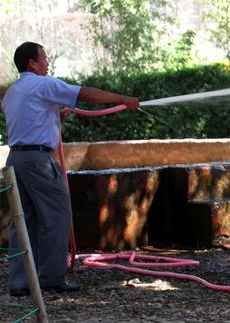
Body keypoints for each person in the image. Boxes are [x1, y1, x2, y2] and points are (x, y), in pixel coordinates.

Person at [1, 42, 139, 296]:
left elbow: (27, 118)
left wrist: (53, 116)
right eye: (43, 58)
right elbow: (85, 94)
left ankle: (20, 283)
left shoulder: (12, 92)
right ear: (32, 62)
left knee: (23, 221)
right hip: (38, 161)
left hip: (15, 161)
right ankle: (51, 278)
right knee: (56, 216)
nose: (47, 62)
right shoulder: (44, 84)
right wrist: (123, 99)